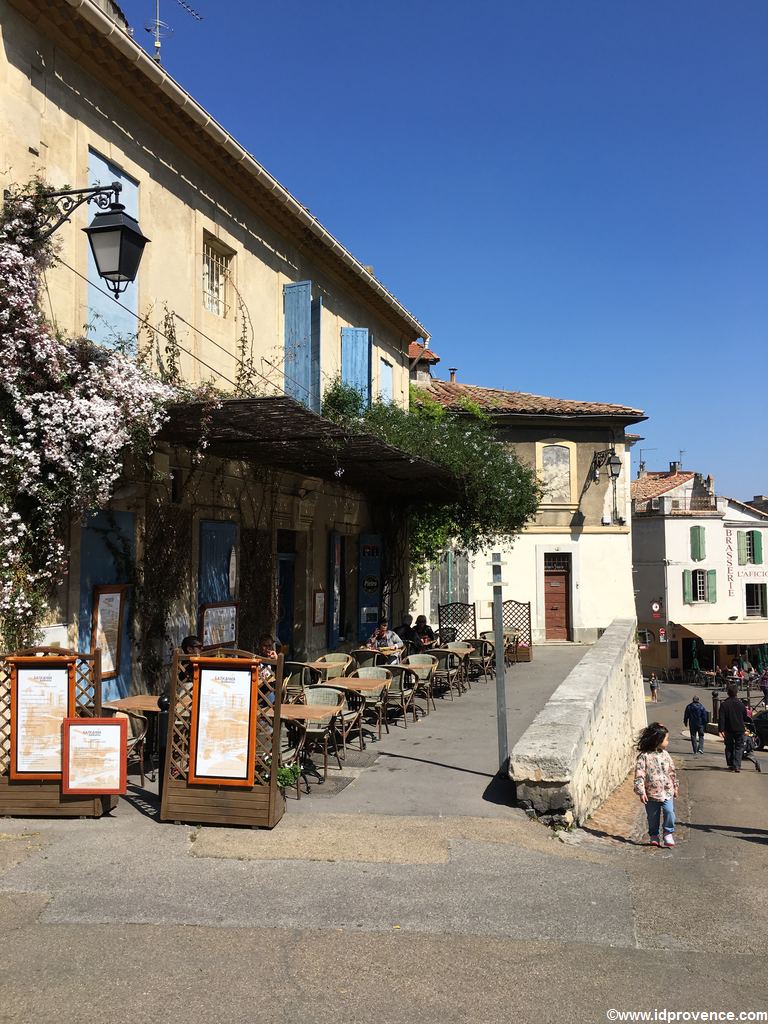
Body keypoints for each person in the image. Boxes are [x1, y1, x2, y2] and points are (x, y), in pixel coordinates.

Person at [634, 722, 678, 848]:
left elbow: (672, 771)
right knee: (653, 817)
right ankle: (654, 835)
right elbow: (639, 774)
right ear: (658, 740)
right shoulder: (644, 756)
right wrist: (641, 791)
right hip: (651, 793)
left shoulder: (665, 754)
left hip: (667, 791)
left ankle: (668, 832)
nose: (668, 742)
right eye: (666, 739)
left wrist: (675, 786)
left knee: (669, 812)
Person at [718, 683, 748, 772]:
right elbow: (745, 716)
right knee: (739, 747)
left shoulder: (724, 704)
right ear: (736, 693)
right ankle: (737, 765)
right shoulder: (741, 704)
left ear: (728, 693)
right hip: (739, 728)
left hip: (728, 729)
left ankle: (731, 763)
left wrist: (721, 729)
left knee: (729, 746)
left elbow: (721, 719)